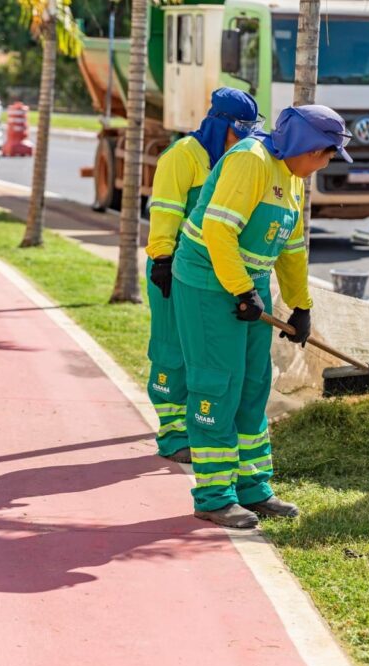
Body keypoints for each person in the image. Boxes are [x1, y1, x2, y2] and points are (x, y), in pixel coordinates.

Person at [173, 104, 353, 528]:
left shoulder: (291, 178)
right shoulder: (249, 161)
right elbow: (218, 230)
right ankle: (214, 495)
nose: (326, 162)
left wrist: (301, 306)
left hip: (246, 289)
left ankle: (253, 487)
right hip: (207, 285)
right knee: (218, 385)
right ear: (305, 145)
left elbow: (290, 251)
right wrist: (241, 290)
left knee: (255, 384)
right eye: (326, 153)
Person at [144, 88, 262, 464]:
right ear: (219, 123)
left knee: (202, 357)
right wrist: (163, 258)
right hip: (171, 266)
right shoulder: (183, 156)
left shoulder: (233, 160)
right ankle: (171, 431)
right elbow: (164, 210)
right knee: (171, 349)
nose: (241, 138)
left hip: (212, 275)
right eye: (237, 129)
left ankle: (198, 428)